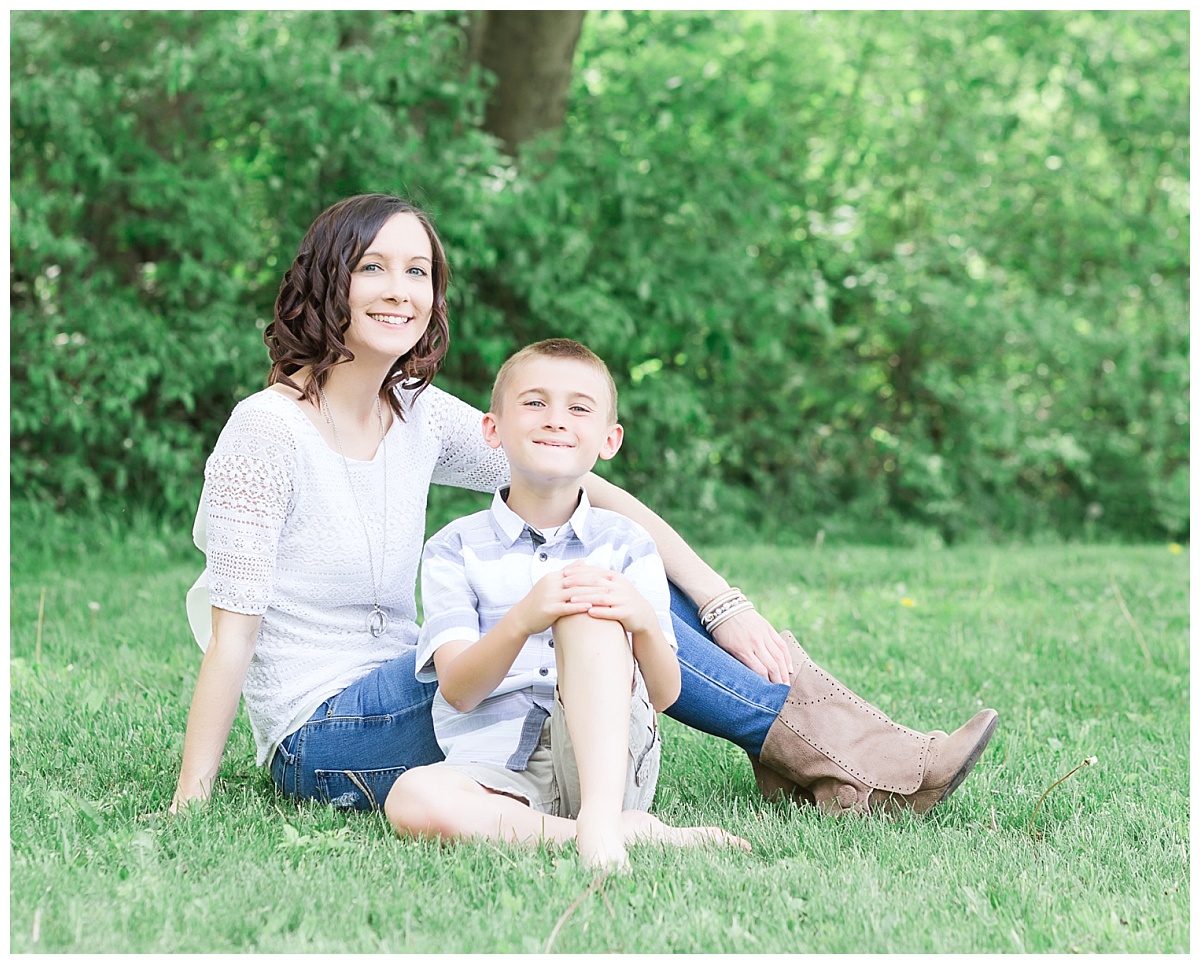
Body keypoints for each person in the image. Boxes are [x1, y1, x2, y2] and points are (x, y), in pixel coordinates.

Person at [172, 193, 997, 819]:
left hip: (414, 680)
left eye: (417, 271)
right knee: (589, 583)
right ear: (330, 282)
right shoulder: (268, 432)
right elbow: (232, 626)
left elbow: (575, 476)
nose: (401, 291)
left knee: (610, 561)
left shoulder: (413, 409)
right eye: (374, 268)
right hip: (327, 734)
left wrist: (720, 598)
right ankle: (853, 759)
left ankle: (832, 752)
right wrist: (192, 800)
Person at [384, 339, 749, 868]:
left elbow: (666, 694)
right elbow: (460, 692)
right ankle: (617, 833)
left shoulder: (627, 543)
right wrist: (523, 618)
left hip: (603, 764)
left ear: (608, 440)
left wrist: (644, 621)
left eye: (578, 408)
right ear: (492, 429)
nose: (556, 419)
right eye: (534, 403)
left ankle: (601, 816)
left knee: (588, 604)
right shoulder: (453, 549)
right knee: (413, 797)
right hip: (495, 772)